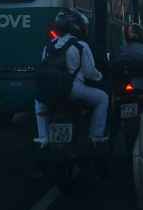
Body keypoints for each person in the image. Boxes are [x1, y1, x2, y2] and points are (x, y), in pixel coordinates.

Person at [34, 10, 109, 145]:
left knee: (39, 103)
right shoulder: (80, 45)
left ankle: (43, 138)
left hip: (50, 89)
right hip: (73, 89)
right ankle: (96, 136)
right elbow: (89, 72)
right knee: (103, 98)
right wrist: (100, 78)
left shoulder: (48, 46)